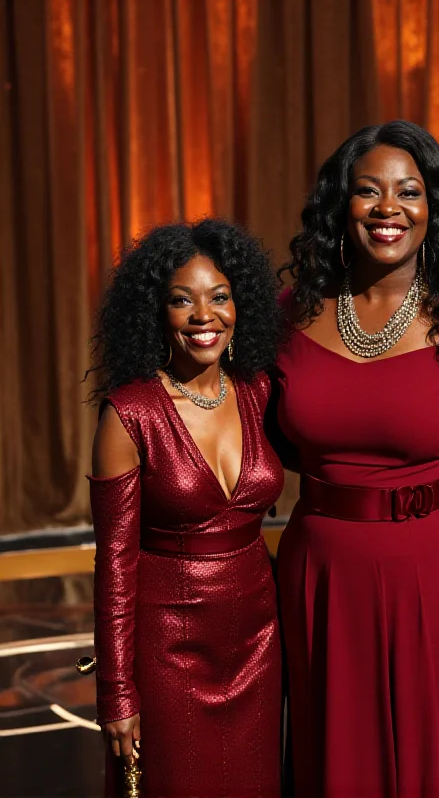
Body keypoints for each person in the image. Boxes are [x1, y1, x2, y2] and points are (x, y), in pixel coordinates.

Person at [272, 120, 439, 797]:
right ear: (343, 205)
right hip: (321, 579)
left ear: (434, 209)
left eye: (409, 193)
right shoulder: (290, 313)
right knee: (335, 765)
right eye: (369, 192)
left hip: (437, 574)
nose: (388, 209)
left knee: (435, 764)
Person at [87, 219, 284, 797]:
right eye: (182, 301)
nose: (205, 316)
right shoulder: (129, 414)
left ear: (240, 303)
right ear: (156, 312)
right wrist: (117, 691)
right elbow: (115, 568)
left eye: (219, 297)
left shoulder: (259, 390)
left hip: (258, 637)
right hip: (168, 647)